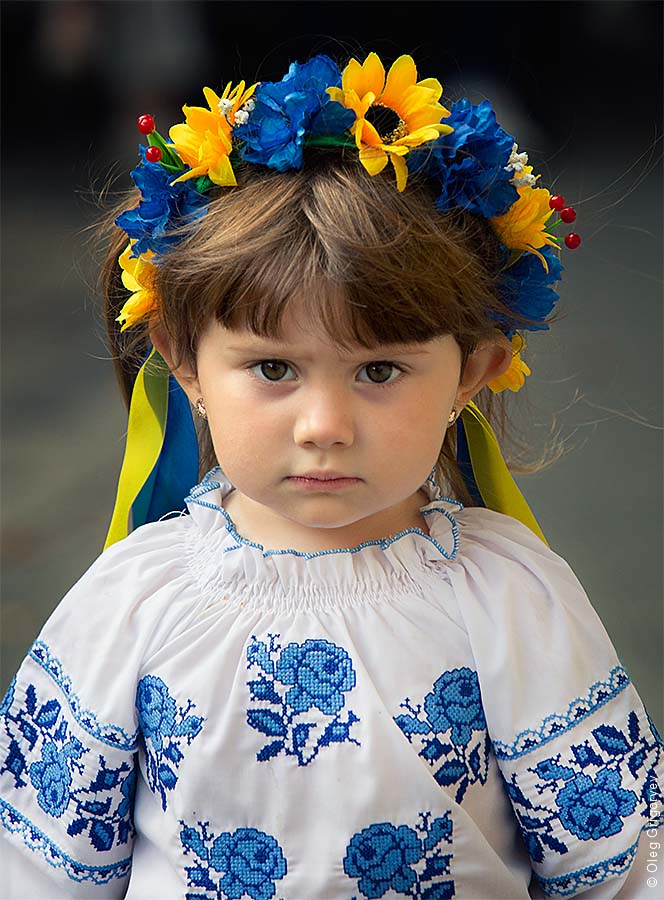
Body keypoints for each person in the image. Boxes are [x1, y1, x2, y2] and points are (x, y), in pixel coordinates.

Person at [0, 51, 661, 899]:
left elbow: (622, 870)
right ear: (183, 362)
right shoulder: (130, 602)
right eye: (273, 369)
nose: (325, 427)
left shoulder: (511, 599)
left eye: (380, 371)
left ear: (472, 371)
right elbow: (44, 872)